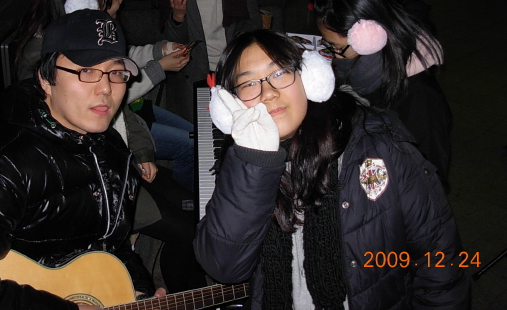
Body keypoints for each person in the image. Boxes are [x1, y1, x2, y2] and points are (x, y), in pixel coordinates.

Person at [194, 29, 470, 309]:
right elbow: (224, 267)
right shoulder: (241, 163)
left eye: (279, 73)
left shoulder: (380, 145)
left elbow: (441, 264)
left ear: (310, 77)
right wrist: (254, 164)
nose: (268, 93)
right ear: (230, 105)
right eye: (249, 83)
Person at [0, 9, 166, 309]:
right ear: (46, 78)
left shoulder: (111, 148)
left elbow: (111, 243)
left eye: (116, 72)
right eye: (87, 71)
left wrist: (137, 291)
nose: (106, 88)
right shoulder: (2, 162)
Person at [14, 0, 195, 191]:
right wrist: (159, 68)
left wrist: (159, 51)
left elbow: (121, 103)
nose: (106, 86)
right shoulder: (45, 55)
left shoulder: (89, 35)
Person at [314, 0, 452, 189]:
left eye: (337, 47)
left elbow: (431, 180)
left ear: (369, 38)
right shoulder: (367, 71)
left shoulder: (419, 99)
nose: (334, 55)